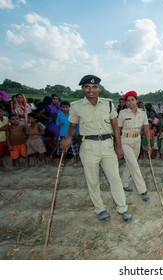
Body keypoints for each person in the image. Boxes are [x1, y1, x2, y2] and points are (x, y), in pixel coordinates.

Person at [60, 75, 131, 223]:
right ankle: (100, 209)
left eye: (94, 87)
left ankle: (122, 208)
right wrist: (67, 139)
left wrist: (118, 147)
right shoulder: (76, 106)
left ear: (99, 88)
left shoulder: (109, 104)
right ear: (82, 89)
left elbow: (115, 127)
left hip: (107, 145)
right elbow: (73, 126)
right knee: (92, 180)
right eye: (87, 87)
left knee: (115, 179)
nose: (90, 90)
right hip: (88, 147)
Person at [118, 90, 150, 202]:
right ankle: (143, 190)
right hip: (125, 140)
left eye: (132, 100)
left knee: (130, 164)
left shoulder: (143, 113)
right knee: (134, 165)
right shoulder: (122, 114)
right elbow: (117, 129)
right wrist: (117, 146)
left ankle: (124, 183)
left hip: (137, 140)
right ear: (126, 103)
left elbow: (146, 129)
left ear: (136, 100)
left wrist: (149, 144)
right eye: (128, 101)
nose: (130, 102)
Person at [56, 101, 79, 166]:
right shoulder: (59, 115)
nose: (65, 108)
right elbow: (57, 122)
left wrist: (77, 134)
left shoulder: (72, 115)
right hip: (62, 134)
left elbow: (76, 126)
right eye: (63, 107)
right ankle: (63, 161)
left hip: (71, 135)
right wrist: (59, 124)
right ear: (61, 107)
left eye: (66, 107)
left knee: (74, 148)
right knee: (63, 148)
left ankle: (75, 161)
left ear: (69, 107)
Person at [0, 105, 10, 171]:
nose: (0, 113)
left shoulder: (6, 118)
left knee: (5, 153)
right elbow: (6, 127)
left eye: (2, 111)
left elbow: (8, 127)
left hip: (5, 139)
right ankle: (2, 166)